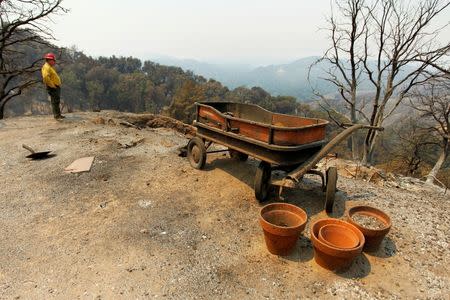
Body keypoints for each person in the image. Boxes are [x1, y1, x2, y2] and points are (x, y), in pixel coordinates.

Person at [41, 53, 64, 119]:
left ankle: (58, 115)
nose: (54, 62)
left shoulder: (49, 67)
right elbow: (45, 77)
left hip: (55, 86)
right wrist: (52, 85)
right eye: (53, 60)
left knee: (56, 101)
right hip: (53, 87)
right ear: (49, 60)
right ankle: (57, 116)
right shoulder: (46, 67)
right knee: (55, 101)